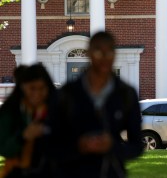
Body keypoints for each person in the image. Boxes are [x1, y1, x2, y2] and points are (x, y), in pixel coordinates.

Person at [49, 31, 143, 178]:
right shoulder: (68, 93)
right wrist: (79, 146)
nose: (105, 58)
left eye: (110, 52)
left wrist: (112, 146)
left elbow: (137, 146)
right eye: (99, 52)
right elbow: (52, 144)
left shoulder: (126, 94)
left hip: (111, 172)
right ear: (89, 53)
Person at [0, 64, 56, 178]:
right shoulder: (10, 111)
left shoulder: (58, 110)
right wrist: (23, 136)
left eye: (41, 88)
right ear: (22, 87)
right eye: (32, 88)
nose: (37, 94)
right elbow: (4, 149)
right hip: (17, 171)